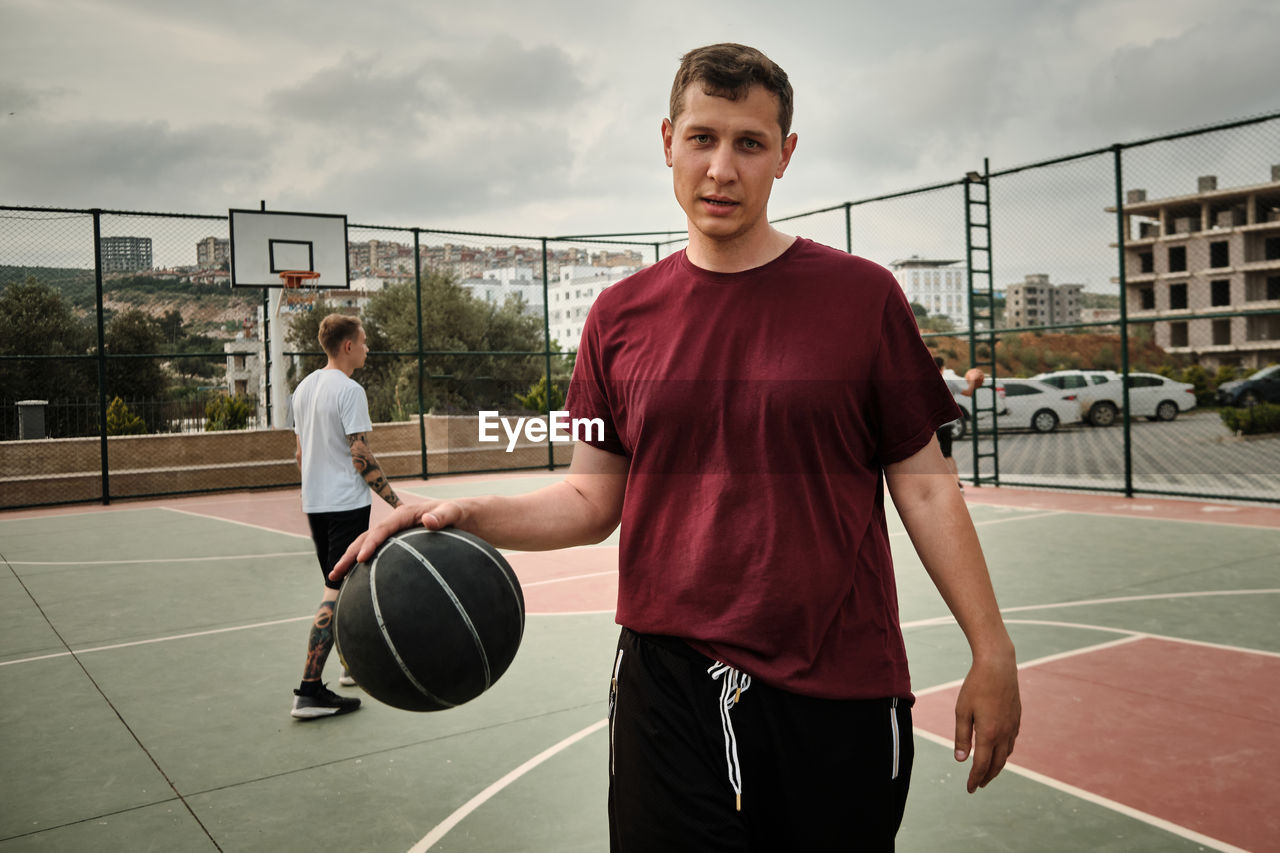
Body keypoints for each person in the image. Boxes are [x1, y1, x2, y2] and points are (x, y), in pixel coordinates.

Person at [332, 43, 1020, 849]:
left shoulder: (862, 297)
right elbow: (592, 498)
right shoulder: (618, 319)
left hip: (838, 686)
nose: (721, 168)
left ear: (784, 156)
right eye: (702, 138)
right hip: (672, 689)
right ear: (667, 141)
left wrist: (992, 647)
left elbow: (928, 486)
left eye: (749, 143)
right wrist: (459, 511)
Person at [290, 313, 403, 719]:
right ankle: (308, 691)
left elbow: (300, 455)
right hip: (344, 505)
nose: (369, 348)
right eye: (365, 341)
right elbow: (360, 455)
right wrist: (398, 505)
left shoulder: (303, 389)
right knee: (336, 592)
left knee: (342, 586)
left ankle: (348, 666)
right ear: (348, 346)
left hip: (316, 504)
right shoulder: (350, 390)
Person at [937, 356, 985, 487]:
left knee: (931, 457)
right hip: (946, 423)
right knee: (947, 454)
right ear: (942, 369)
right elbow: (968, 393)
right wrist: (972, 382)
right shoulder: (949, 382)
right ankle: (956, 481)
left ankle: (938, 484)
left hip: (931, 425)